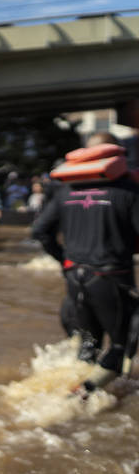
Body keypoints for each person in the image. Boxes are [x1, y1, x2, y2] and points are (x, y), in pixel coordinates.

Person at [32, 165, 139, 397]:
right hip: (110, 281)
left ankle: (66, 392)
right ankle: (82, 393)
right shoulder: (128, 192)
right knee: (119, 347)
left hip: (75, 281)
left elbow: (40, 230)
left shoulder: (66, 191)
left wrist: (64, 260)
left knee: (89, 343)